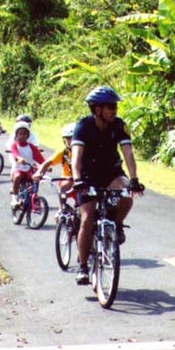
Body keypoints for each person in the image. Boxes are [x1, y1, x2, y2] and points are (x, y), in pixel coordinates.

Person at [71, 86, 144, 285]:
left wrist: (134, 179)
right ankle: (83, 267)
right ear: (97, 109)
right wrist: (77, 179)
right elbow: (76, 156)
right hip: (87, 175)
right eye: (111, 106)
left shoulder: (119, 125)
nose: (115, 110)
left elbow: (128, 152)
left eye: (115, 106)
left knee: (127, 195)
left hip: (111, 172)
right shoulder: (83, 126)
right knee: (87, 218)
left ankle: (116, 225)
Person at [32, 123, 76, 202]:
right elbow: (48, 162)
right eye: (68, 138)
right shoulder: (63, 152)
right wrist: (38, 172)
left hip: (82, 178)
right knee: (64, 186)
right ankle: (62, 207)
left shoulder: (86, 151)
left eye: (74, 138)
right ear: (64, 140)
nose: (71, 141)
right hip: (68, 178)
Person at [10, 121, 45, 207]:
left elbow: (39, 158)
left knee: (36, 178)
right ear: (16, 136)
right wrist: (19, 158)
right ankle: (14, 198)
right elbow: (15, 154)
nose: (22, 136)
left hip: (29, 169)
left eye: (25, 134)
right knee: (17, 177)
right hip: (18, 169)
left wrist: (46, 165)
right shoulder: (14, 145)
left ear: (28, 135)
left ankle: (35, 197)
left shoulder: (31, 146)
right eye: (20, 134)